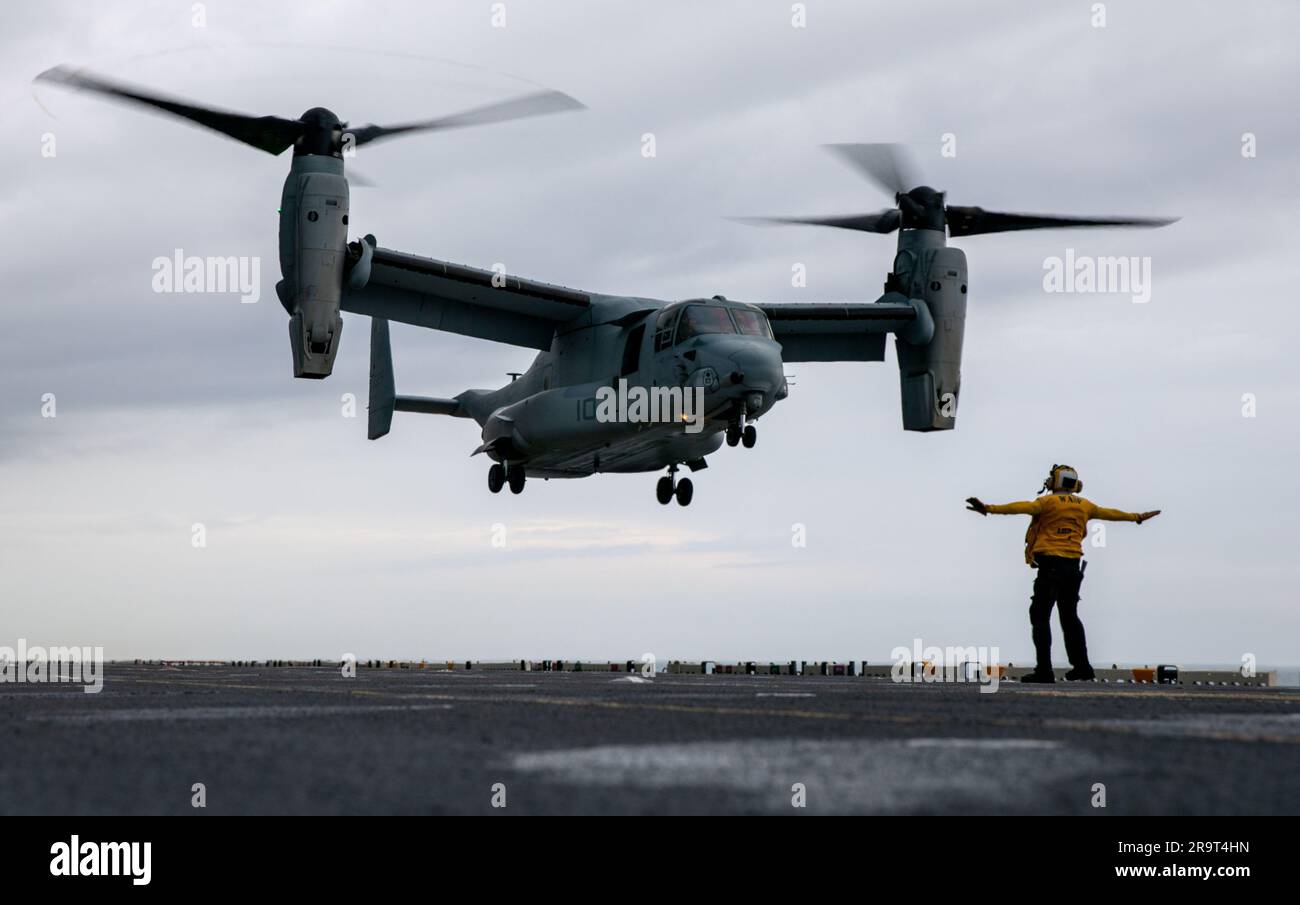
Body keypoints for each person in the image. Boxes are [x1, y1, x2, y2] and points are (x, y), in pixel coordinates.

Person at [965, 465, 1160, 684]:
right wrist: (1137, 516)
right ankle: (1082, 667)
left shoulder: (1046, 503)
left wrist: (989, 508)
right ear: (1075, 484)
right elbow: (1112, 513)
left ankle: (1044, 671)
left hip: (1050, 564)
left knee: (1040, 616)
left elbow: (1020, 507)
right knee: (1070, 617)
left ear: (1054, 481)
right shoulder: (1085, 506)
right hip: (1073, 566)